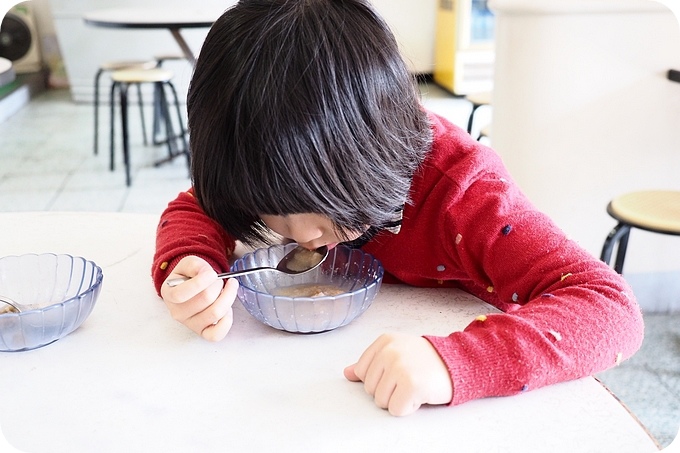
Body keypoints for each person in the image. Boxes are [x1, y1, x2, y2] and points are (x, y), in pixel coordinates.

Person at [152, 0, 644, 417]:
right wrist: (190, 265)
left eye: (319, 208)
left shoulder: (464, 194)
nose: (301, 236)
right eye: (271, 212)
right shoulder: (266, 168)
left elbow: (611, 308)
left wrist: (453, 362)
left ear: (367, 158)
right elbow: (194, 206)